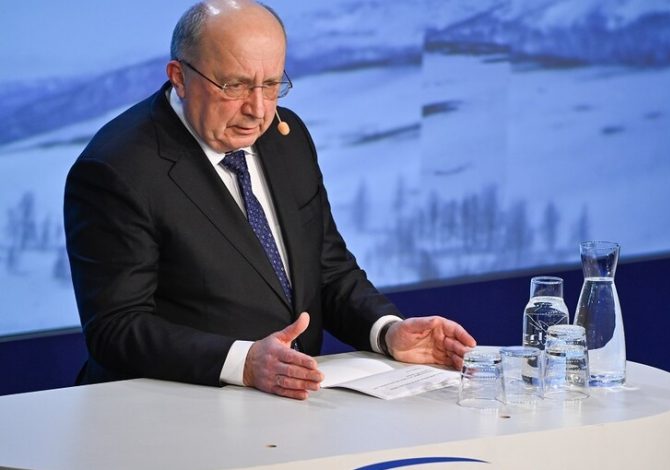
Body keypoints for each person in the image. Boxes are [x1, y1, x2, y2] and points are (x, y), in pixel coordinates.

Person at [64, 0, 476, 400]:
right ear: (180, 77)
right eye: (235, 85)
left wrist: (387, 331)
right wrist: (242, 362)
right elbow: (117, 327)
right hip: (170, 411)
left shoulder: (286, 138)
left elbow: (326, 269)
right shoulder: (117, 169)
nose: (258, 110)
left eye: (271, 84)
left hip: (286, 406)